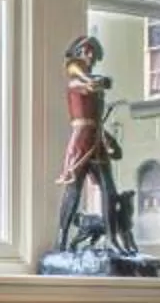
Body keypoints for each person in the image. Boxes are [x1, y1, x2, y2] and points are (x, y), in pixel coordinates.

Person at [53, 35, 136, 255]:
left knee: (110, 191)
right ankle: (61, 240)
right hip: (81, 142)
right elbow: (88, 83)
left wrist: (109, 140)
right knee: (73, 191)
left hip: (97, 140)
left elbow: (96, 121)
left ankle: (111, 238)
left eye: (92, 52)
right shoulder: (76, 82)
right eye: (85, 51)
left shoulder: (88, 82)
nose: (89, 55)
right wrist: (96, 81)